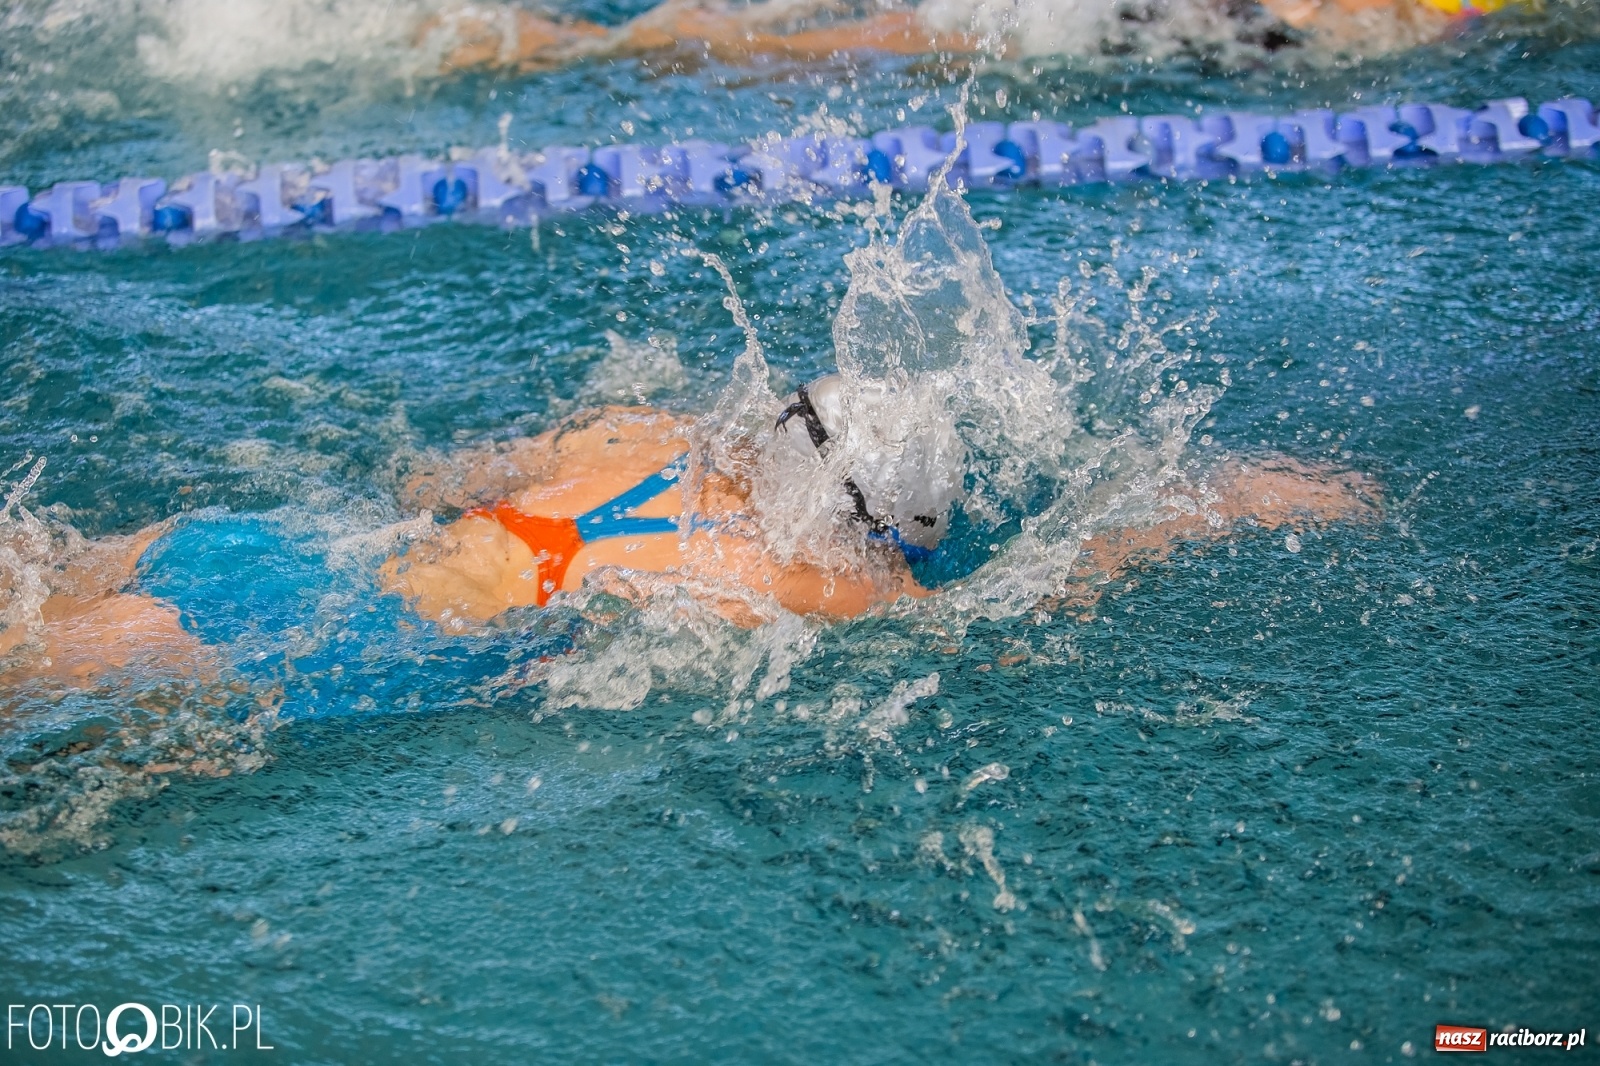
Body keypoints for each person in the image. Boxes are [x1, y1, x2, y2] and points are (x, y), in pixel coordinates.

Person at [0, 370, 1377, 693]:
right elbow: (1039, 590)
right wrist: (1232, 498)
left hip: (270, 541)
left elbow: (428, 470)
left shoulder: (638, 432)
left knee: (43, 584)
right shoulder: (807, 589)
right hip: (344, 642)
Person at [421, 0, 1529, 73]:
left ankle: (546, 39)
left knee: (857, 39)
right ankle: (552, 42)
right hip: (1170, 23)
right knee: (825, 51)